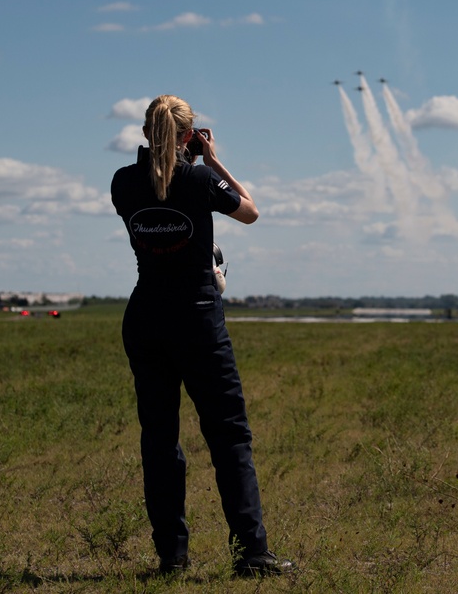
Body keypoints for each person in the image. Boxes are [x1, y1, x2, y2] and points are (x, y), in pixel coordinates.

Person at [110, 95, 294, 578]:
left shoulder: (123, 182)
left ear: (148, 133)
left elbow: (153, 194)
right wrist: (214, 162)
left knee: (159, 439)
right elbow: (250, 212)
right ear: (190, 135)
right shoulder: (200, 178)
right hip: (196, 319)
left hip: (146, 315)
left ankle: (171, 557)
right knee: (229, 436)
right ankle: (252, 554)